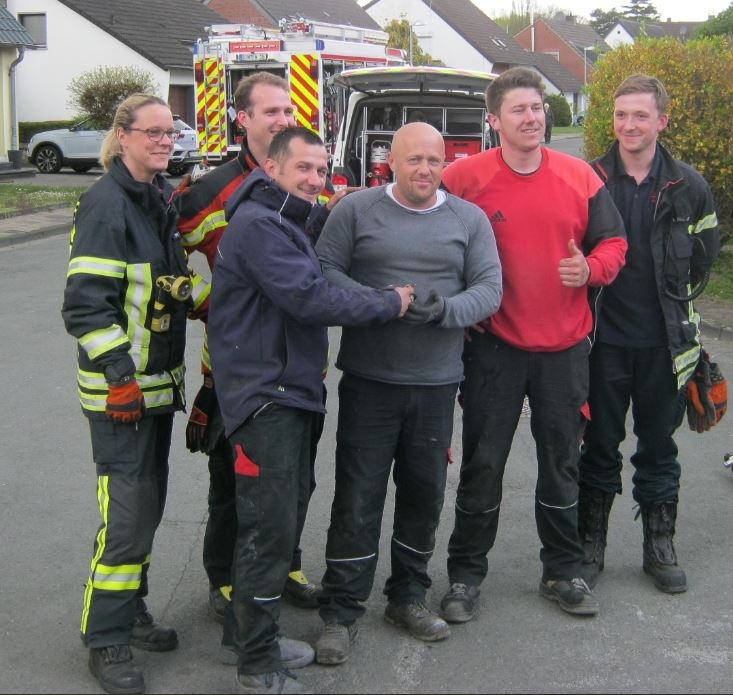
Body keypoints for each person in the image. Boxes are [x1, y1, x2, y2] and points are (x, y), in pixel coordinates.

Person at [207, 126, 413, 694]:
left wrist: (328, 210)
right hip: (266, 402)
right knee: (266, 533)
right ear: (271, 168)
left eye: (322, 171)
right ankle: (256, 666)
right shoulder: (259, 227)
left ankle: (251, 640)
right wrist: (388, 302)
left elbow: (304, 244)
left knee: (279, 521)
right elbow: (309, 297)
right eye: (304, 170)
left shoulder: (279, 220)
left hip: (288, 394)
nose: (316, 180)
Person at [439, 66, 627, 622]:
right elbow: (429, 237)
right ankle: (465, 576)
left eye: (538, 107)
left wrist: (591, 268)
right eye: (518, 109)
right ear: (493, 120)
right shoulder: (464, 178)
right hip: (493, 350)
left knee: (562, 465)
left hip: (565, 351)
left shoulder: (580, 177)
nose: (532, 117)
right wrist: (460, 304)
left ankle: (563, 570)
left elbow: (615, 242)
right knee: (482, 466)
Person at [313, 121, 503, 666]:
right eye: (413, 160)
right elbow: (325, 270)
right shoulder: (355, 211)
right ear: (389, 162)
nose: (425, 170)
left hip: (436, 384)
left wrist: (445, 311)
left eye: (434, 161)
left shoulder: (468, 220)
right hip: (370, 382)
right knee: (357, 495)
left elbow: (489, 288)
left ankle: (408, 595)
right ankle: (341, 608)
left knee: (424, 495)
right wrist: (382, 302)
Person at [177, 72, 350, 626]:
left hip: (299, 366)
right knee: (236, 485)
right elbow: (165, 258)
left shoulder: (308, 179)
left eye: (287, 111)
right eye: (269, 112)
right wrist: (206, 303)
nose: (281, 120)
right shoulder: (210, 192)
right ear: (242, 119)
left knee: (292, 481)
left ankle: (285, 568)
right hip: (236, 369)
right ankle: (226, 582)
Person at [61, 94, 209, 695]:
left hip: (154, 391)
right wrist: (120, 377)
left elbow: (153, 283)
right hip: (120, 395)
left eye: (168, 132)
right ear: (121, 136)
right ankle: (106, 637)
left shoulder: (155, 200)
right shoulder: (105, 204)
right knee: (125, 519)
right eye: (150, 132)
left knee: (146, 510)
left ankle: (134, 609)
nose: (162, 141)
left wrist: (194, 295)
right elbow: (85, 306)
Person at [578, 74, 719, 593]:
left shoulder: (691, 186)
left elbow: (704, 258)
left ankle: (659, 548)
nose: (628, 125)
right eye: (620, 115)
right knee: (597, 447)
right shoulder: (587, 177)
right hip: (601, 344)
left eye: (640, 115)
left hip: (665, 346)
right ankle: (589, 547)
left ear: (661, 120)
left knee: (658, 448)